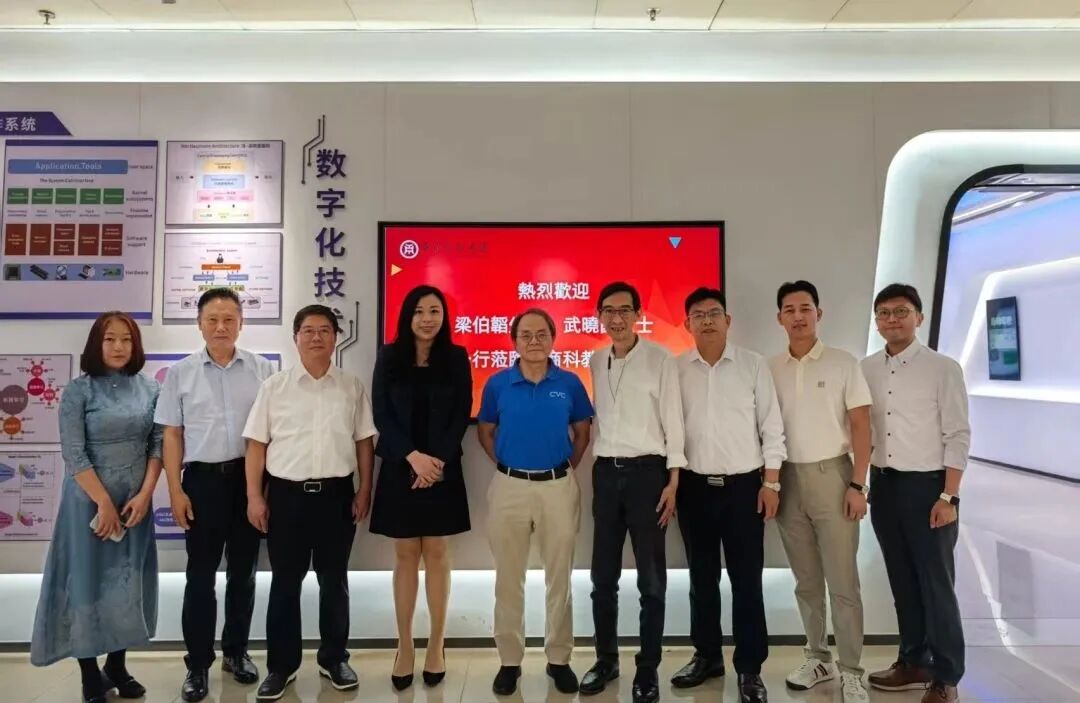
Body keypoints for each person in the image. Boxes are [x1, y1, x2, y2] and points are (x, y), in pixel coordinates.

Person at [242, 304, 377, 701]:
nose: (316, 337)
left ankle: (334, 659)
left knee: (334, 581)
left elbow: (364, 442)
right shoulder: (274, 387)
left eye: (325, 330)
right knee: (285, 583)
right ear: (296, 338)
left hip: (337, 496)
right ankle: (281, 667)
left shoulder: (351, 386)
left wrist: (364, 490)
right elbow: (256, 445)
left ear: (336, 338)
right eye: (308, 330)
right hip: (286, 498)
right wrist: (254, 496)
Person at [31, 311, 163, 703]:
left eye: (126, 339)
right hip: (87, 502)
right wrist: (103, 502)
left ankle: (117, 666)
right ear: (96, 344)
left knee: (127, 584)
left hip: (134, 503)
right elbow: (74, 453)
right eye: (110, 339)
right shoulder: (78, 391)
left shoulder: (151, 389)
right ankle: (90, 673)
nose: (119, 346)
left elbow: (158, 445)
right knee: (85, 583)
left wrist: (145, 495)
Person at [154, 288, 276, 701]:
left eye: (229, 319)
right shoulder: (180, 373)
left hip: (249, 482)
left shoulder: (262, 369)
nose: (221, 327)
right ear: (199, 324)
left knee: (243, 574)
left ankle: (236, 652)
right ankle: (198, 664)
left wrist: (261, 491)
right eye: (212, 319)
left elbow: (272, 432)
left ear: (241, 323)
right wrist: (175, 491)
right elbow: (172, 435)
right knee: (200, 577)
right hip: (202, 484)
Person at [671, 288, 785, 703]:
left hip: (744, 489)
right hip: (693, 489)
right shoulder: (676, 369)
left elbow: (772, 427)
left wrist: (771, 483)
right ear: (687, 324)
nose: (707, 320)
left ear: (728, 320)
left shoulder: (753, 365)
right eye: (698, 314)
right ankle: (707, 656)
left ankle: (750, 668)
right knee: (701, 579)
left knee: (747, 581)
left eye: (714, 313)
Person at [862, 283, 970, 703]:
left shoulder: (943, 368)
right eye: (884, 313)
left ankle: (946, 676)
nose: (892, 319)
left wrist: (949, 496)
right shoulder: (866, 368)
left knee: (935, 583)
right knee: (902, 580)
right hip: (884, 485)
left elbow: (957, 434)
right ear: (876, 321)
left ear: (918, 317)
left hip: (928, 488)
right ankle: (912, 660)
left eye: (901, 311)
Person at [477, 307, 593, 697]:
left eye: (542, 334)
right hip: (509, 487)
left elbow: (582, 433)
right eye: (525, 335)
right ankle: (510, 661)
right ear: (514, 341)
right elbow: (485, 431)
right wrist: (507, 464)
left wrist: (566, 468)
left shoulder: (570, 383)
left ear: (553, 338)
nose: (534, 341)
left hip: (558, 486)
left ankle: (558, 659)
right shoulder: (497, 384)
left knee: (559, 577)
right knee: (509, 577)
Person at [579, 281, 685, 703]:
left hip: (648, 476)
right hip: (606, 475)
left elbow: (674, 422)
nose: (617, 318)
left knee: (651, 580)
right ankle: (606, 660)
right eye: (609, 310)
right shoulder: (596, 358)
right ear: (599, 316)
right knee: (602, 577)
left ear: (639, 314)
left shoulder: (660, 359)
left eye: (625, 310)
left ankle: (648, 667)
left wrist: (673, 481)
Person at [768, 280, 873, 703]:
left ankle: (851, 670)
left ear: (819, 313)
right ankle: (817, 657)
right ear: (779, 318)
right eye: (789, 310)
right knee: (806, 580)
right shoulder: (770, 368)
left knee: (843, 581)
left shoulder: (843, 363)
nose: (798, 316)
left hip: (834, 476)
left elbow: (862, 426)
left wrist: (858, 484)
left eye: (805, 308)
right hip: (786, 478)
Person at [369, 285, 472, 690]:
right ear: (407, 316)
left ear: (444, 317)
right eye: (419, 311)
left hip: (442, 467)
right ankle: (405, 645)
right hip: (401, 465)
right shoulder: (388, 357)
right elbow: (381, 413)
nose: (427, 319)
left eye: (435, 311)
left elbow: (461, 413)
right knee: (406, 553)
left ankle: (436, 644)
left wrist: (436, 462)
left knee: (438, 552)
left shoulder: (456, 357)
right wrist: (412, 457)